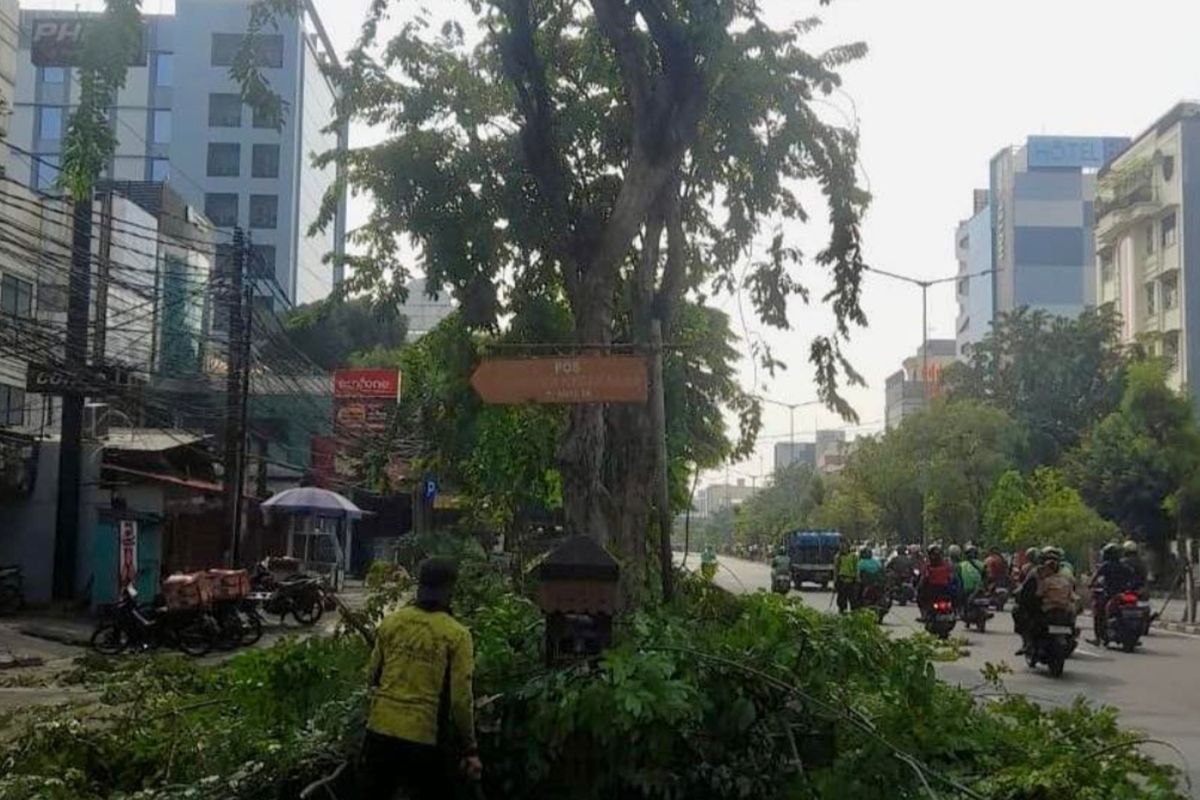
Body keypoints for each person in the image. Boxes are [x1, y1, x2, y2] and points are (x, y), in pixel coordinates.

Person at [361, 558, 481, 800]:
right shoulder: (457, 635)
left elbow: (372, 678)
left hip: (378, 732)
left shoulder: (392, 622)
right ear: (450, 590)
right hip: (425, 739)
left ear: (419, 586)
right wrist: (470, 748)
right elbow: (460, 701)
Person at [1014, 546, 1076, 655]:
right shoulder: (1066, 574)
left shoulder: (1040, 574)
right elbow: (1073, 594)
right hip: (1064, 609)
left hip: (1049, 609)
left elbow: (1037, 593)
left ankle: (1028, 643)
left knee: (1023, 613)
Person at [1088, 543, 1135, 644]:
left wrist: (1090, 584)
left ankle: (1097, 638)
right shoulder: (1125, 566)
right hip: (1123, 594)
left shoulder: (1106, 565)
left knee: (1098, 612)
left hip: (1110, 594)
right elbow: (1133, 578)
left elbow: (1095, 577)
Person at [917, 544, 957, 620]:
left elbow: (924, 579)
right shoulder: (945, 565)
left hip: (935, 591)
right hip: (943, 591)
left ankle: (924, 614)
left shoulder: (929, 566)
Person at [834, 541, 860, 614]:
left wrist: (857, 580)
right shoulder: (838, 557)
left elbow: (856, 568)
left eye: (845, 546)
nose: (843, 548)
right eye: (842, 546)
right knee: (841, 600)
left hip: (852, 581)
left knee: (853, 600)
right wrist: (835, 581)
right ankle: (842, 611)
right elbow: (836, 569)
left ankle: (853, 613)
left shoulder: (853, 556)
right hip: (842, 580)